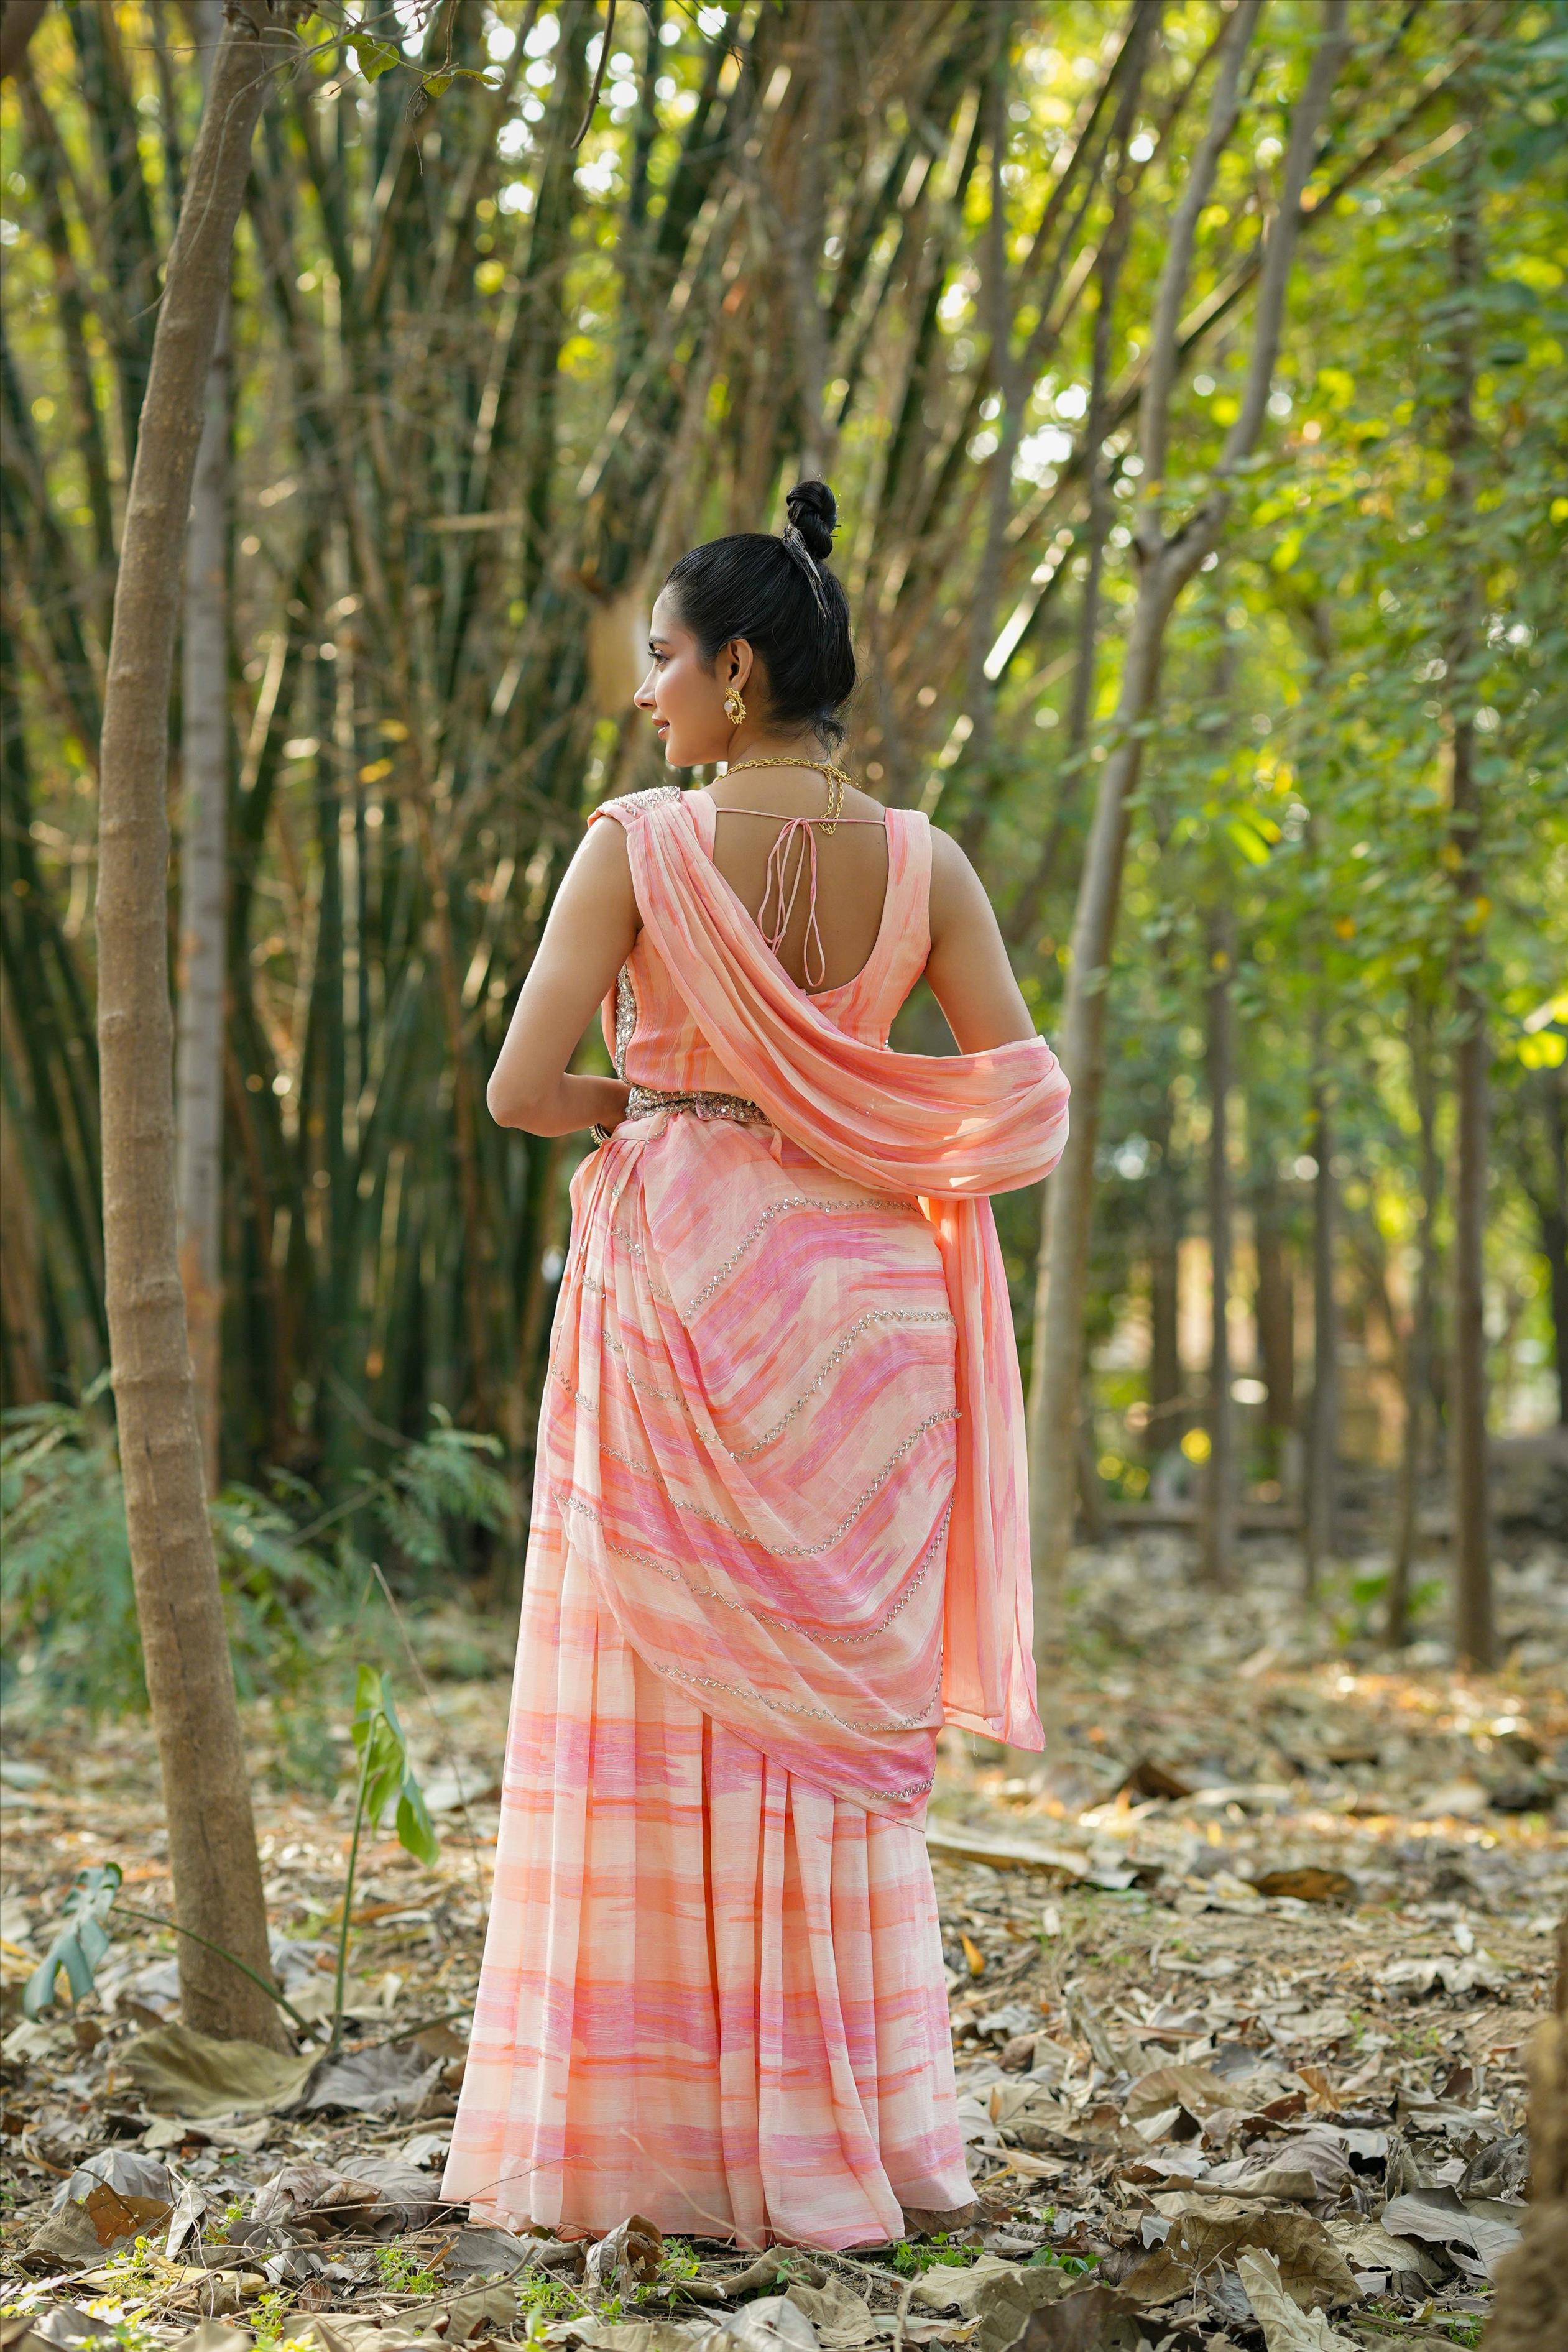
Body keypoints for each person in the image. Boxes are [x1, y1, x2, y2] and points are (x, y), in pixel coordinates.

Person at [441, 479, 1069, 2253]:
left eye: (659, 659)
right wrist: (860, 1114)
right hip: (866, 1309)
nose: (645, 694)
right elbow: (1024, 1099)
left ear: (731, 667)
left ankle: (656, 2151)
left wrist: (670, 1104)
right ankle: (837, 2148)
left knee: (661, 1710)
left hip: (683, 1280)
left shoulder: (634, 848)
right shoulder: (927, 861)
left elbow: (515, 1087)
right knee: (816, 1745)